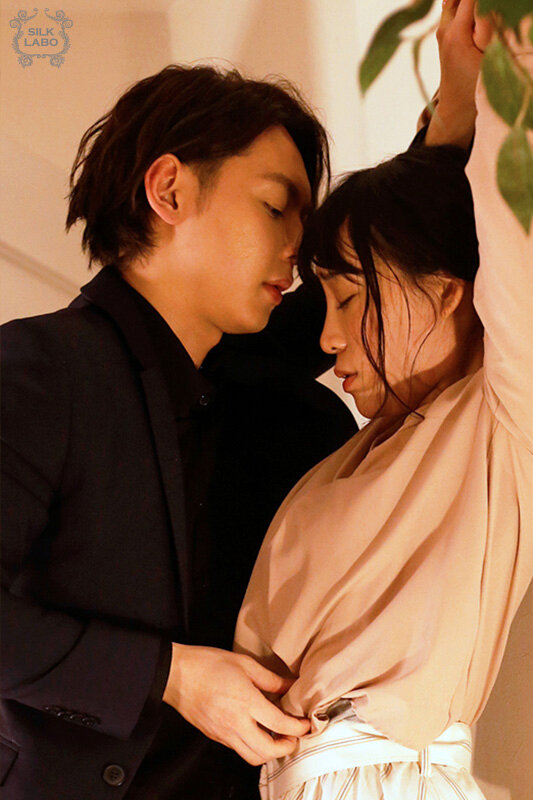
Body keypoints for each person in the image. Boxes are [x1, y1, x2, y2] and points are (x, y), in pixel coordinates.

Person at [0, 65, 358, 800]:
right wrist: (170, 676)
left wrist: (452, 126)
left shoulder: (245, 388)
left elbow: (356, 289)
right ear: (168, 190)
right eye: (275, 207)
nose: (297, 244)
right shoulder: (38, 368)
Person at [234, 3, 533, 799]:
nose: (327, 338)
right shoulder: (347, 457)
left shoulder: (503, 418)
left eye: (347, 296)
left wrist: (502, 68)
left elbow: (509, 223)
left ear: (446, 292)